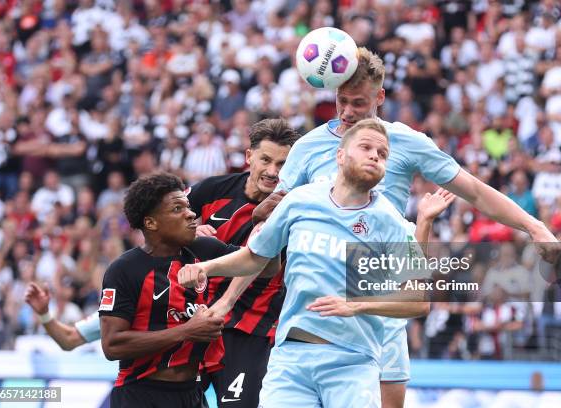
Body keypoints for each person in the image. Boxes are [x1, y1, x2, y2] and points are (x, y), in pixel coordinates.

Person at [252, 47, 561, 408]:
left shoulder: (405, 141)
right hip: (318, 301)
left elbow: (474, 191)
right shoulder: (309, 145)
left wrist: (535, 227)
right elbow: (272, 211)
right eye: (342, 101)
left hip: (380, 289)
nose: (348, 112)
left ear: (380, 97)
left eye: (359, 103)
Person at [178, 119, 439, 407]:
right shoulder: (299, 201)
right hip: (291, 359)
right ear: (339, 155)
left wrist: (357, 304)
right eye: (366, 147)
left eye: (383, 153)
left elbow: (418, 299)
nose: (375, 155)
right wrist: (207, 268)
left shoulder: (390, 220)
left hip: (353, 363)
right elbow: (256, 256)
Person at [98, 172, 278, 408]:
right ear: (150, 223)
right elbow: (112, 346)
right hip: (141, 394)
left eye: (188, 206)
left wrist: (264, 227)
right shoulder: (125, 270)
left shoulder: (204, 249)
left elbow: (261, 266)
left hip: (191, 393)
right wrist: (187, 331)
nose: (191, 214)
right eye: (177, 209)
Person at [187, 118, 300, 407]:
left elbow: (267, 265)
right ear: (249, 157)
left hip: (252, 330)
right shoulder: (214, 190)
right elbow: (158, 225)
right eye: (266, 160)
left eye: (283, 164)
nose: (273, 172)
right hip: (197, 321)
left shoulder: (293, 208)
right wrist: (187, 231)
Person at [24, 282, 100, 350]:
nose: (59, 302)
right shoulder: (53, 309)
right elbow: (69, 339)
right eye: (58, 299)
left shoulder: (73, 309)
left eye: (61, 299)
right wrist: (44, 314)